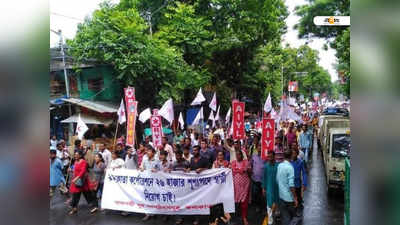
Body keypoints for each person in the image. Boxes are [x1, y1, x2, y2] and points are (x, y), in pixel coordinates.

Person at [68, 150, 98, 215]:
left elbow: (83, 171)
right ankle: (74, 208)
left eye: (77, 154)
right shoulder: (75, 162)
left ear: (80, 155)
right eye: (75, 154)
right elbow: (75, 170)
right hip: (77, 182)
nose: (75, 156)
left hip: (83, 181)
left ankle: (94, 207)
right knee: (75, 195)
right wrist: (71, 170)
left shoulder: (84, 162)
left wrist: (77, 178)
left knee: (88, 195)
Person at [188, 145, 209, 225]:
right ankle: (196, 217)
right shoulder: (192, 159)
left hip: (202, 184)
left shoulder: (204, 159)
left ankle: (204, 217)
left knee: (202, 200)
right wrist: (189, 169)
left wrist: (202, 169)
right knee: (194, 200)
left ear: (199, 151)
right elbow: (190, 168)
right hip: (194, 183)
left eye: (196, 150)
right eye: (193, 150)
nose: (194, 152)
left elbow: (209, 169)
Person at [276, 149, 298, 225]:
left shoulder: (279, 166)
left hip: (281, 196)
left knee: (284, 217)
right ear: (291, 156)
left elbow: (277, 180)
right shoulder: (290, 168)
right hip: (289, 198)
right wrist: (295, 198)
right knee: (289, 218)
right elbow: (291, 185)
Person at [140, 145, 161, 221]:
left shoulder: (157, 160)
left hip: (154, 183)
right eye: (147, 151)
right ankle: (147, 214)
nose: (147, 152)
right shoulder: (145, 160)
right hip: (146, 183)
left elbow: (162, 171)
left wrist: (157, 171)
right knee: (146, 198)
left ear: (153, 153)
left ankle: (154, 212)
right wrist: (141, 168)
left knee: (154, 198)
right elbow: (142, 166)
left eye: (149, 151)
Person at [231, 150, 251, 225]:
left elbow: (249, 173)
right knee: (236, 202)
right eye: (237, 155)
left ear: (242, 156)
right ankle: (236, 217)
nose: (238, 156)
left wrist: (248, 170)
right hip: (236, 185)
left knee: (244, 202)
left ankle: (244, 217)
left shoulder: (246, 162)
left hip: (245, 185)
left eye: (239, 155)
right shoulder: (233, 163)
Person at [262, 151, 280, 225]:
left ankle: (275, 219)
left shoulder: (278, 166)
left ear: (274, 156)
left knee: (276, 206)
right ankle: (270, 222)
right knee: (269, 206)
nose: (269, 158)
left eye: (271, 157)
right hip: (269, 189)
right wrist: (263, 188)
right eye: (268, 157)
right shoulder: (266, 166)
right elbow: (264, 178)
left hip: (277, 189)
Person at [250, 143, 265, 212]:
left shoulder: (265, 157)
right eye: (259, 146)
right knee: (256, 193)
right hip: (255, 179)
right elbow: (251, 165)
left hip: (263, 179)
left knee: (263, 195)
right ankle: (257, 206)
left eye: (261, 147)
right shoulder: (254, 156)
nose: (260, 148)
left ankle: (263, 207)